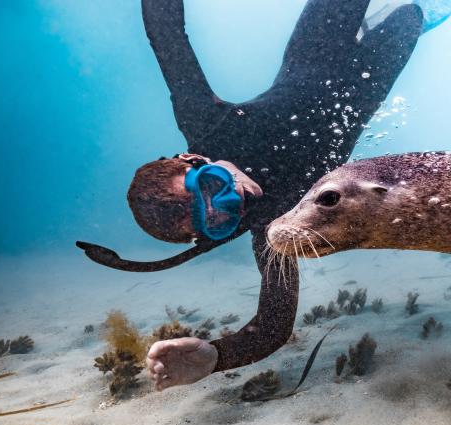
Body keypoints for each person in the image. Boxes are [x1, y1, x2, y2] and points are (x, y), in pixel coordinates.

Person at [77, 0, 426, 390]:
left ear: (193, 159)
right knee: (411, 15)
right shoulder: (275, 230)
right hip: (365, 86)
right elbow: (272, 327)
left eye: (212, 186)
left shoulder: (206, 125)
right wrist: (215, 357)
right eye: (216, 219)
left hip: (313, 53)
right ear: (207, 235)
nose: (234, 202)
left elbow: (165, 33)